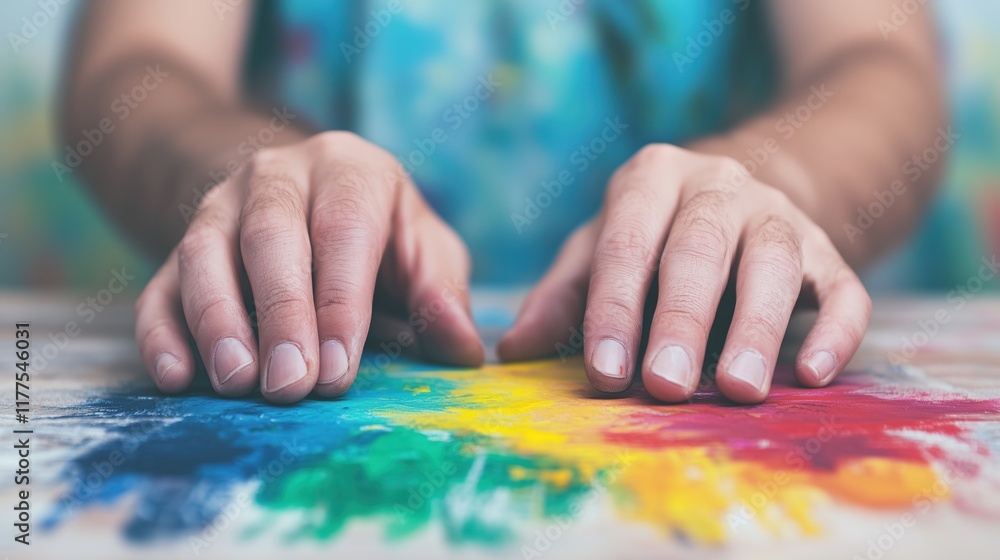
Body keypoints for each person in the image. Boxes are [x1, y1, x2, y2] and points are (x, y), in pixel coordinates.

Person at [62, 0, 946, 404]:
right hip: (316, 351)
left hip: (712, 345)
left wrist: (773, 182)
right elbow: (134, 65)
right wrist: (252, 175)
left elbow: (882, 63)